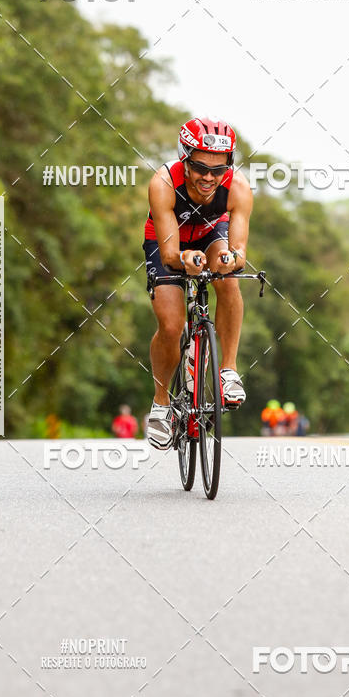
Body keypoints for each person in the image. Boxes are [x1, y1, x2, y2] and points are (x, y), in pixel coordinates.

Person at [143, 117, 253, 450]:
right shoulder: (163, 183)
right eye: (200, 167)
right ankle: (161, 404)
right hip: (168, 241)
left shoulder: (239, 188)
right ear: (185, 158)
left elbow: (239, 251)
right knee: (172, 324)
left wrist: (230, 260)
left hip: (209, 235)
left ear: (228, 168)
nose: (208, 177)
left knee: (228, 281)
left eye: (217, 171)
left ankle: (228, 372)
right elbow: (171, 253)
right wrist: (183, 260)